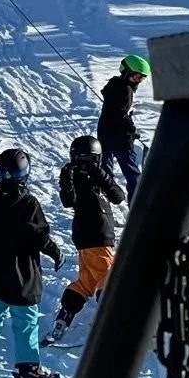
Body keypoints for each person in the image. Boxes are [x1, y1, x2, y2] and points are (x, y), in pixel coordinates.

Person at [0, 148, 65, 378]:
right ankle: (28, 370)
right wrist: (56, 253)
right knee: (26, 320)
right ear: (25, 173)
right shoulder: (27, 202)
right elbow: (39, 235)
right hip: (22, 275)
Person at [45, 135, 126, 344]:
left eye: (90, 160)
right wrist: (68, 176)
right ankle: (107, 322)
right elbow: (68, 200)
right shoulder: (72, 175)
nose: (85, 165)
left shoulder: (98, 175)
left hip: (88, 238)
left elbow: (118, 197)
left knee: (86, 282)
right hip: (96, 235)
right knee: (108, 276)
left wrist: (99, 173)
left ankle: (63, 319)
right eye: (81, 160)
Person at [97, 52, 150, 202]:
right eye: (136, 77)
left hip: (104, 132)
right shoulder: (126, 89)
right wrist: (131, 129)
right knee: (133, 175)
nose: (139, 81)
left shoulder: (114, 83)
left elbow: (112, 105)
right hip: (120, 139)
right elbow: (120, 114)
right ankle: (136, 205)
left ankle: (105, 195)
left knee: (104, 169)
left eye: (142, 78)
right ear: (126, 72)